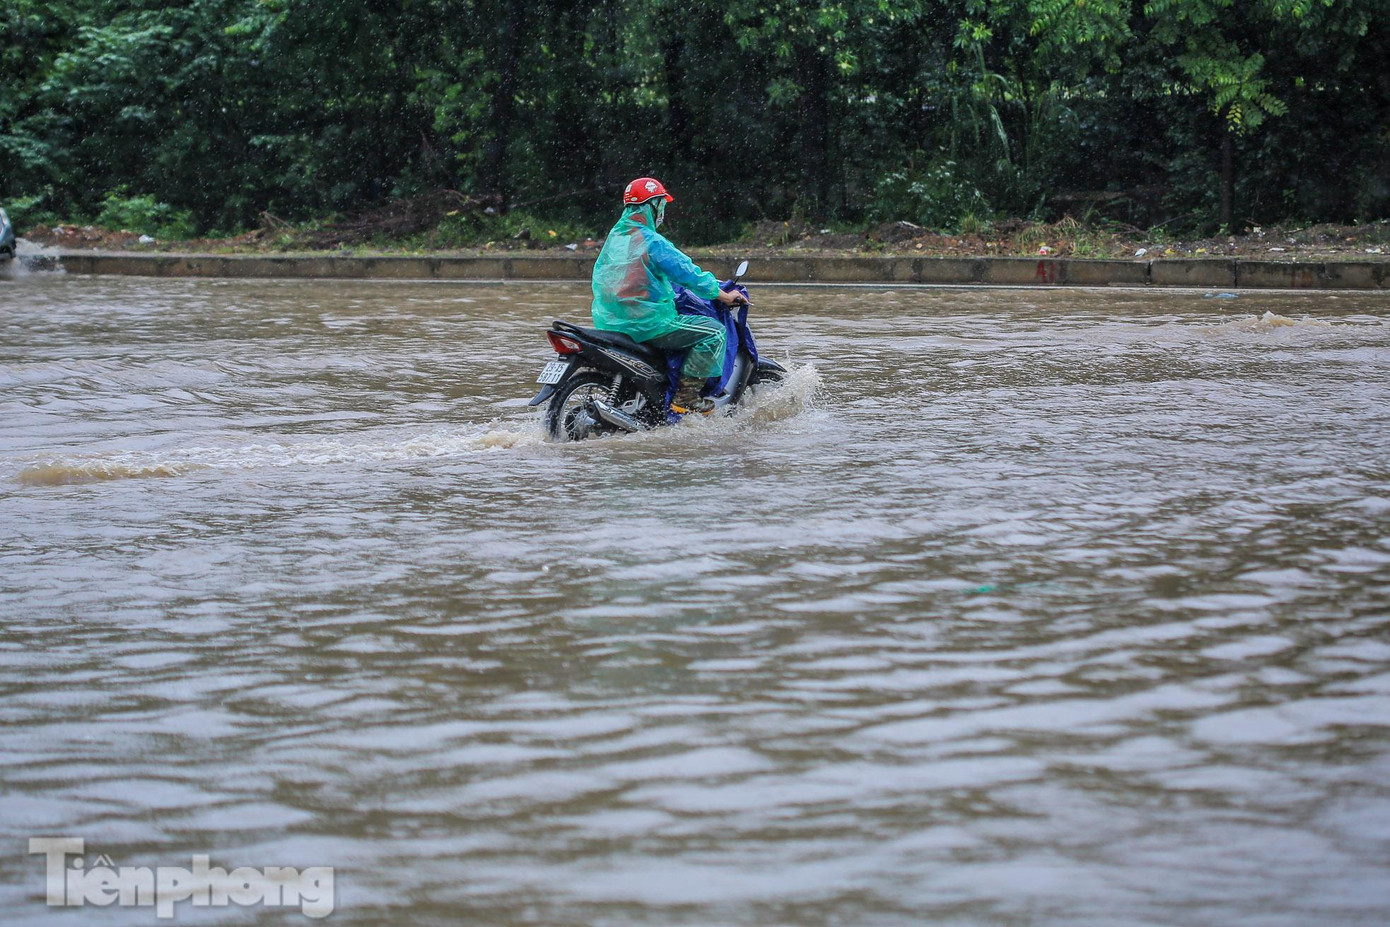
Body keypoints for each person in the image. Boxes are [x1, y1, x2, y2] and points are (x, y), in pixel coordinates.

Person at [590, 177, 746, 415]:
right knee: (714, 332)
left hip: (609, 323)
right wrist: (723, 296)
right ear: (652, 206)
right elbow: (688, 273)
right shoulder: (652, 241)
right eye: (661, 205)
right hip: (648, 324)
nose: (663, 211)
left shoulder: (616, 238)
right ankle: (686, 398)